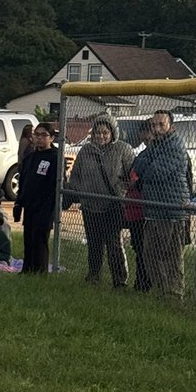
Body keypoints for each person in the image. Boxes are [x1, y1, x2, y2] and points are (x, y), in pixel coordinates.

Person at [64, 114, 133, 288]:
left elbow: (131, 176)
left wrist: (121, 191)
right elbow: (76, 175)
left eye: (105, 132)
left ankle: (120, 280)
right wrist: (80, 192)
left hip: (113, 205)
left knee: (114, 244)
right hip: (90, 205)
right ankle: (94, 275)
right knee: (94, 244)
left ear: (112, 133)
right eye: (97, 133)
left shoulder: (123, 150)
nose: (101, 136)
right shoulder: (86, 150)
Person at [132, 110, 191, 298]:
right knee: (150, 255)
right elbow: (137, 164)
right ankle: (160, 292)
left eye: (161, 125)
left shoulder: (175, 145)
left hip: (171, 211)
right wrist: (147, 164)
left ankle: (173, 295)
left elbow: (155, 173)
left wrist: (147, 165)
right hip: (152, 210)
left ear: (171, 126)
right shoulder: (155, 145)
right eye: (154, 125)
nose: (156, 129)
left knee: (171, 258)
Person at [14, 122, 59, 273]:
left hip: (45, 207)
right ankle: (27, 270)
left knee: (40, 240)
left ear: (52, 138)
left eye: (44, 135)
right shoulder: (31, 157)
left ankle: (40, 272)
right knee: (29, 240)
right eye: (36, 134)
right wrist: (18, 203)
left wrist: (48, 208)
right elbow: (24, 181)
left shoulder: (55, 158)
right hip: (30, 206)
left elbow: (54, 186)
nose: (39, 138)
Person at [124, 120, 154, 292]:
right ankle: (141, 283)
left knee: (149, 250)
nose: (146, 136)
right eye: (144, 132)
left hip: (147, 209)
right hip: (135, 209)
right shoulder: (141, 155)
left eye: (149, 132)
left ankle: (146, 284)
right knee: (139, 248)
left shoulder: (159, 154)